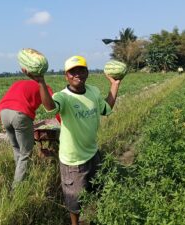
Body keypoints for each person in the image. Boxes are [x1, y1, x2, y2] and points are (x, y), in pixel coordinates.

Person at [25, 55, 121, 225]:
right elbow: (50, 107)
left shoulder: (93, 91)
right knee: (75, 202)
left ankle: (95, 218)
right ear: (66, 76)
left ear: (87, 72)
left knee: (96, 191)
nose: (77, 74)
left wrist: (115, 85)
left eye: (81, 70)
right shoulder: (63, 97)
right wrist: (41, 82)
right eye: (72, 71)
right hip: (73, 160)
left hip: (93, 153)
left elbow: (106, 109)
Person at [0, 76, 59, 189]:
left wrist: (2, 122)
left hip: (3, 112)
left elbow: (3, 102)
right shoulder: (44, 87)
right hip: (20, 113)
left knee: (17, 149)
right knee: (26, 153)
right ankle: (17, 188)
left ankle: (21, 176)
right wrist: (62, 122)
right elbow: (53, 107)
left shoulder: (18, 83)